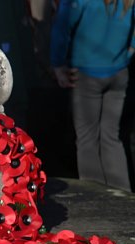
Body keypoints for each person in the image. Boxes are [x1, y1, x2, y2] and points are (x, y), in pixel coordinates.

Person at [50, 0, 135, 191]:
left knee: (87, 139)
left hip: (86, 74)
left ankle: (95, 196)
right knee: (111, 137)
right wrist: (128, 53)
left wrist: (58, 65)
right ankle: (124, 198)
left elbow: (61, 28)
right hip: (119, 71)